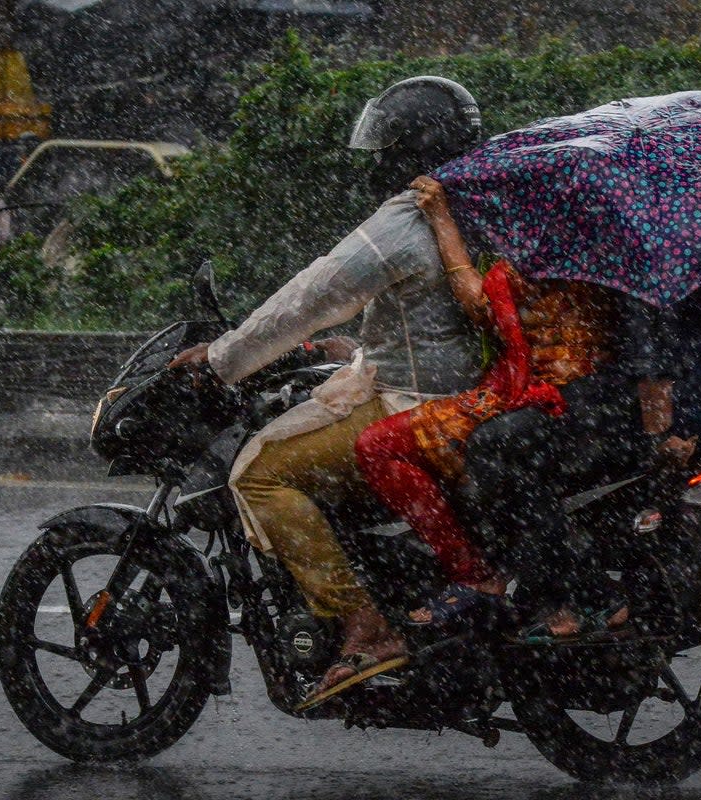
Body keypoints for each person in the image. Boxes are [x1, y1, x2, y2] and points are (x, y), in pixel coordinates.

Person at [168, 76, 486, 703]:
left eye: (385, 149)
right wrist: (357, 352)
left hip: (414, 406)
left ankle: (364, 624)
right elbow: (436, 324)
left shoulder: (407, 219)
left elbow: (312, 297)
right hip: (470, 397)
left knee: (258, 472)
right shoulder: (478, 202)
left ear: (406, 150)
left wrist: (224, 357)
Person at [460, 244, 701, 638]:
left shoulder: (654, 240)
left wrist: (661, 429)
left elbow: (649, 344)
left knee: (496, 448)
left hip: (669, 406)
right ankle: (545, 578)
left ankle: (582, 592)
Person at [354, 175, 623, 629]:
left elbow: (476, 303)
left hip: (531, 397)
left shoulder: (533, 264)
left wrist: (441, 218)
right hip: (598, 402)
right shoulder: (606, 258)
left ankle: (473, 574)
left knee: (376, 446)